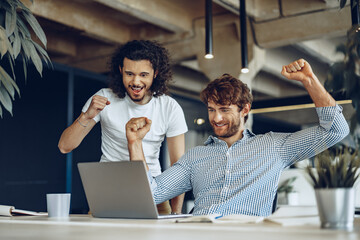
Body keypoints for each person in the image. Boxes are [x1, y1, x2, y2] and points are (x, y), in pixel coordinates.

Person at [126, 59, 349, 217]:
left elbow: (335, 130)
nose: (217, 117)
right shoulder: (195, 157)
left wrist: (309, 81)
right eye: (212, 109)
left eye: (224, 109)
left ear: (245, 109)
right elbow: (152, 193)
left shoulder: (274, 146)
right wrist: (135, 143)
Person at [58, 40, 188, 214]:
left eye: (143, 75)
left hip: (154, 191)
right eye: (129, 74)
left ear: (155, 73)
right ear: (120, 71)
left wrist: (176, 213)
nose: (136, 82)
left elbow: (178, 168)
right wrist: (86, 115)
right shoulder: (103, 98)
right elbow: (64, 146)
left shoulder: (169, 107)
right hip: (109, 190)